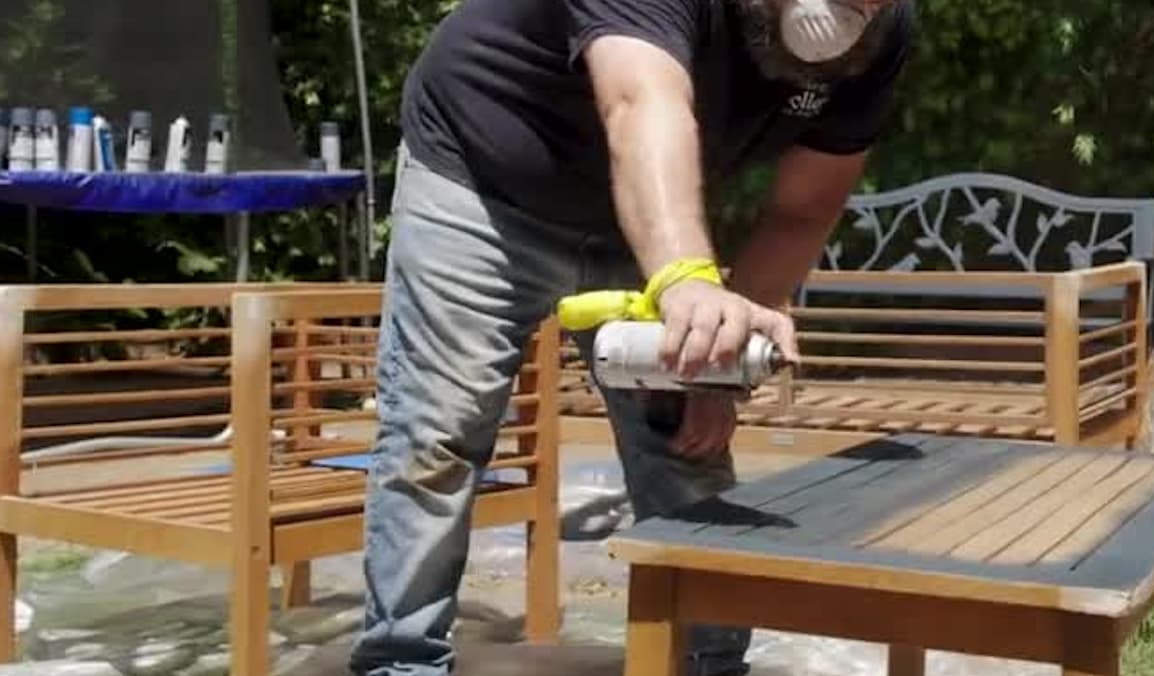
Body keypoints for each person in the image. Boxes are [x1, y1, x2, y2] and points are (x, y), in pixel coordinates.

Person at [350, 0, 913, 672]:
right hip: (481, 178)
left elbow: (803, 208)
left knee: (685, 443)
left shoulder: (881, 32)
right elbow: (640, 101)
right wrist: (686, 278)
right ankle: (400, 661)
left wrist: (722, 364)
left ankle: (710, 665)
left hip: (638, 207)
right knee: (436, 436)